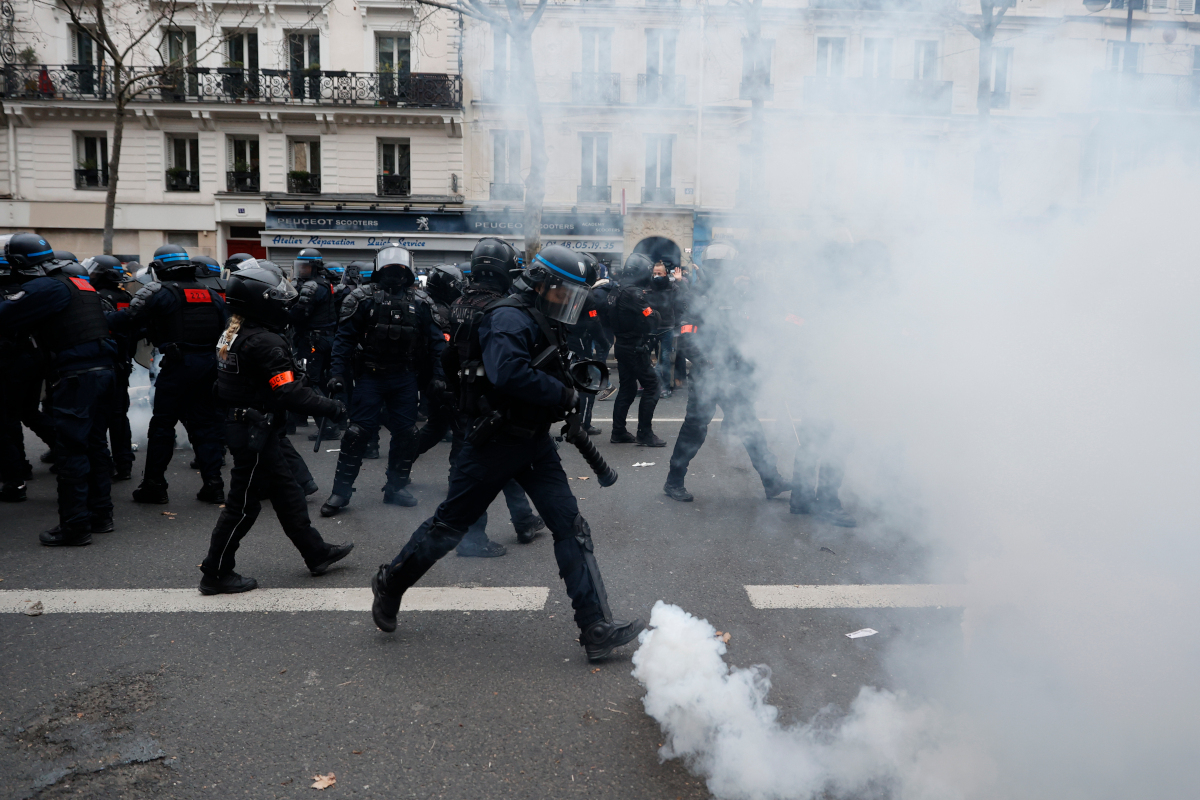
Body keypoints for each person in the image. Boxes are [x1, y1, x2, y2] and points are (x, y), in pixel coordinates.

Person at [370, 244, 643, 662]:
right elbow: (508, 372)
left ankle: (595, 627)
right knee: (448, 528)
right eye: (565, 292)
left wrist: (563, 390)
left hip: (533, 441)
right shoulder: (507, 317)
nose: (569, 302)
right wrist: (564, 392)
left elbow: (543, 366)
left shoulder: (543, 316)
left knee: (572, 528)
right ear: (543, 283)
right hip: (494, 443)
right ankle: (391, 583)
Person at [200, 263, 353, 594]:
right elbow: (288, 391)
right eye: (277, 299)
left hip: (253, 427)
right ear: (258, 301)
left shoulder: (234, 331)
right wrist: (333, 407)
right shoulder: (265, 341)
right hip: (254, 431)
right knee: (243, 507)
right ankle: (215, 572)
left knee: (289, 495)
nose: (285, 305)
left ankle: (316, 553)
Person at [417, 239, 545, 556]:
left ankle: (524, 520)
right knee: (477, 471)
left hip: (467, 400)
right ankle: (471, 539)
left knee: (498, 462)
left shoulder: (459, 303)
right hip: (496, 401)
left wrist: (457, 391)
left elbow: (449, 357)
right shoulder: (503, 308)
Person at [0, 234, 116, 545]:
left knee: (71, 451)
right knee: (94, 445)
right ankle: (101, 515)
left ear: (19, 263)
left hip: (76, 375)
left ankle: (75, 527)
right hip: (102, 370)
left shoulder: (45, 287)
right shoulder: (76, 281)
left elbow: (5, 317)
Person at [321, 246, 444, 516]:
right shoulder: (361, 298)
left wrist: (438, 376)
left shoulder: (422, 301)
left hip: (404, 376)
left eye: (400, 269)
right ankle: (340, 492)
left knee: (407, 433)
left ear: (408, 271)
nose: (395, 274)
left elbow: (436, 343)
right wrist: (337, 374)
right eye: (390, 269)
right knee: (357, 433)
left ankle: (396, 487)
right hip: (371, 375)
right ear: (379, 269)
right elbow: (344, 339)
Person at [662, 242, 789, 503]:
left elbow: (750, 330)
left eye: (726, 267)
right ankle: (674, 481)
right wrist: (707, 362)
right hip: (709, 375)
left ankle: (771, 480)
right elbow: (685, 338)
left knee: (750, 427)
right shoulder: (696, 296)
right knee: (694, 429)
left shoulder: (738, 294)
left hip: (733, 374)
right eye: (717, 267)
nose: (722, 272)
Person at [116, 244, 228, 505]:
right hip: (208, 367)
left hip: (178, 366)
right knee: (205, 426)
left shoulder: (160, 292)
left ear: (159, 268)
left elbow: (129, 319)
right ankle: (214, 485)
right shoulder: (210, 294)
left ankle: (154, 486)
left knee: (163, 425)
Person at [84, 255, 136, 481]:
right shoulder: (126, 296)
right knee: (119, 416)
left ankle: (101, 464)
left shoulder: (93, 298)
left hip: (102, 361)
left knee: (98, 418)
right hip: (123, 361)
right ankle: (124, 463)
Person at [608, 253, 666, 447]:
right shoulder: (634, 293)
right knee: (652, 386)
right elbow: (652, 317)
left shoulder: (616, 289)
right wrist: (655, 313)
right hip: (634, 346)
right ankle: (645, 433)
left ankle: (618, 431)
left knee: (627, 388)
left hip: (622, 344)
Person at [289, 248, 338, 440]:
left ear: (314, 266)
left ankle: (328, 426)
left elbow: (299, 313)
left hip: (312, 341)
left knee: (309, 381)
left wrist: (283, 313)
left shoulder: (312, 286)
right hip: (326, 339)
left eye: (305, 266)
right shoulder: (326, 283)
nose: (301, 270)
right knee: (322, 381)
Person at [647, 262, 678, 399]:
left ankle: (665, 387)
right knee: (646, 357)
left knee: (665, 358)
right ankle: (652, 384)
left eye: (659, 273)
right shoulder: (648, 286)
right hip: (651, 327)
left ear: (665, 274)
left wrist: (680, 281)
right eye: (654, 273)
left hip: (667, 327)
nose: (656, 276)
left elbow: (681, 301)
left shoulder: (672, 286)